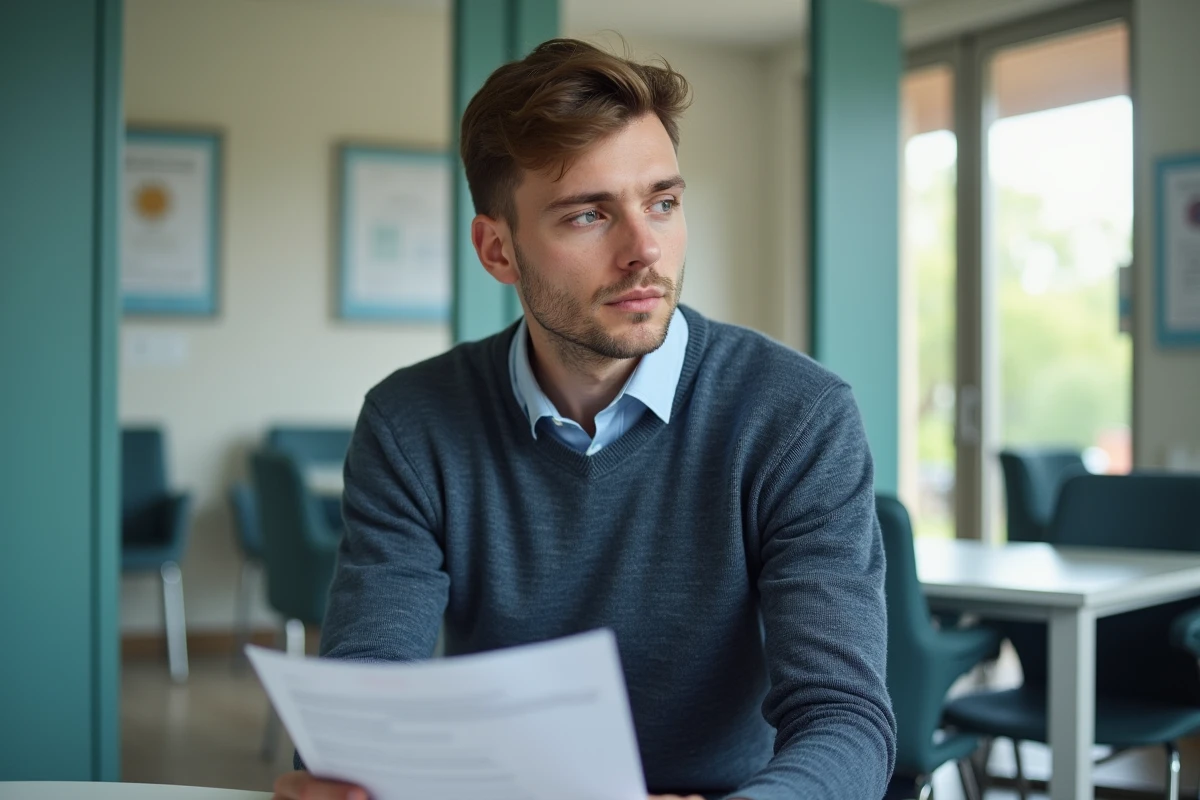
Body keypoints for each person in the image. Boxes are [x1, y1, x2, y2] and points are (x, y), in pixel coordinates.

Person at [272, 38, 895, 800]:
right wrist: (347, 771)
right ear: (498, 250)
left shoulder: (796, 416)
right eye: (589, 215)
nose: (644, 249)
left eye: (663, 202)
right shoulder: (412, 424)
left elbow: (845, 719)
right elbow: (370, 686)